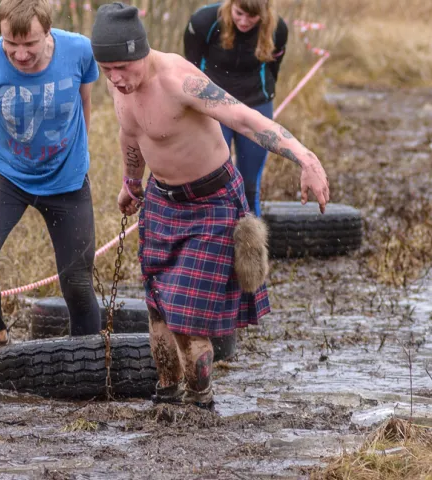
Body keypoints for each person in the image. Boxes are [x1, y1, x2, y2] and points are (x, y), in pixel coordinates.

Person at [90, 2, 329, 409]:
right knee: (159, 310)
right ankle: (166, 392)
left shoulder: (180, 81)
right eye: (107, 69)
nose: (115, 78)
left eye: (122, 68)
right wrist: (131, 183)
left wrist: (305, 158)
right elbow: (131, 134)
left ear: (140, 53)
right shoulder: (119, 83)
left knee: (186, 316)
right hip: (162, 201)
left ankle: (200, 400)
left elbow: (246, 119)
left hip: (211, 202)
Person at [0, 0, 101, 379]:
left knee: (77, 283)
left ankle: (86, 366)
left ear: (48, 32)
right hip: (9, 175)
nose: (20, 54)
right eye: (11, 44)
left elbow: (85, 99)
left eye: (30, 44)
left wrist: (80, 150)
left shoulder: (79, 51)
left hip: (67, 180)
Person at [184, 0, 288, 217]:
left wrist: (263, 96)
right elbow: (189, 68)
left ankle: (250, 247)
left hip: (255, 102)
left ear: (264, 13)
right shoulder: (204, 21)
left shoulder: (278, 29)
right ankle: (212, 242)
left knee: (249, 186)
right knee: (212, 182)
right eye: (239, 13)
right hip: (213, 104)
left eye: (252, 17)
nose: (244, 21)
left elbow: (273, 70)